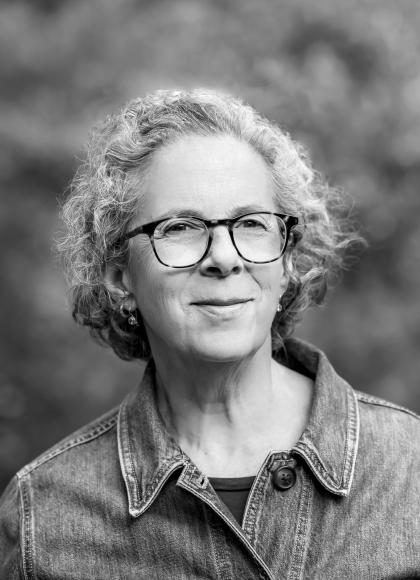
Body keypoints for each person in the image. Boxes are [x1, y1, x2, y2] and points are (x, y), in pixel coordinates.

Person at [0, 89, 418, 579]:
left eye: (252, 223)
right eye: (180, 227)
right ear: (119, 277)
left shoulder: (410, 467)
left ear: (287, 262)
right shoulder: (44, 519)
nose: (224, 257)